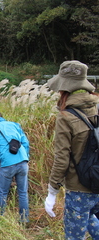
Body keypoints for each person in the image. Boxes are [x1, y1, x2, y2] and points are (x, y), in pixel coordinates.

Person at [44, 60, 99, 239]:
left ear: (64, 88)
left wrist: (52, 192)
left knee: (74, 236)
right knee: (91, 218)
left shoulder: (66, 117)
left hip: (79, 190)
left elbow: (62, 159)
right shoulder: (96, 108)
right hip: (97, 183)